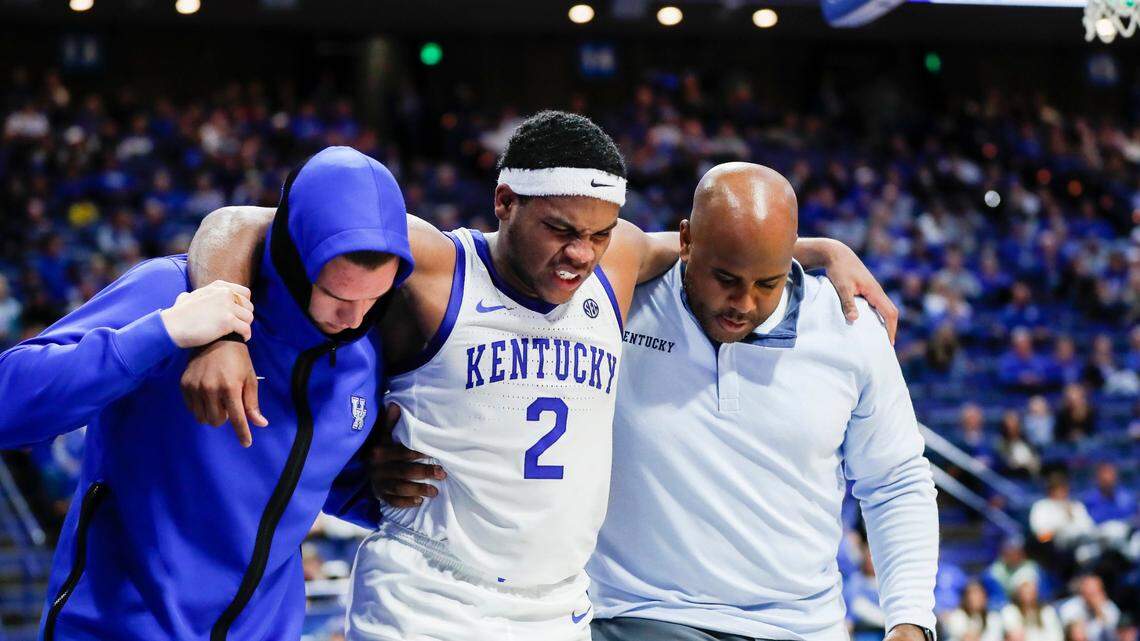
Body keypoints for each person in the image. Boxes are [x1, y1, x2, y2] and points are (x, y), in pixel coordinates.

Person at [183, 113, 896, 641]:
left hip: (557, 610)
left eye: (598, 232)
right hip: (430, 598)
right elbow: (237, 224)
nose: (579, 253)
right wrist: (216, 329)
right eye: (560, 228)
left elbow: (712, 246)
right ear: (505, 204)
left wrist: (824, 247)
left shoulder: (613, 268)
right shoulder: (437, 268)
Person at [378, 163, 935, 641]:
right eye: (725, 278)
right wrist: (374, 445)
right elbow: (481, 350)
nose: (744, 303)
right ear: (686, 240)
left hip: (803, 624)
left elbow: (896, 480)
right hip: (641, 615)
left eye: (767, 283)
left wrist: (910, 618)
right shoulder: (613, 300)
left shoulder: (848, 325)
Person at [0, 146, 414, 640]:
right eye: (338, 296)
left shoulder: (360, 352)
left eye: (374, 298)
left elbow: (313, 479)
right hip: (117, 629)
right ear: (291, 258)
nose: (353, 318)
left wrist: (378, 486)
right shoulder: (172, 292)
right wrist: (163, 333)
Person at [1000, 577, 1064, 641]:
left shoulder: (1047, 611)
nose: (1027, 595)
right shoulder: (1010, 611)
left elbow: (1057, 636)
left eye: (1030, 591)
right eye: (1024, 591)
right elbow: (1014, 636)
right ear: (1018, 593)